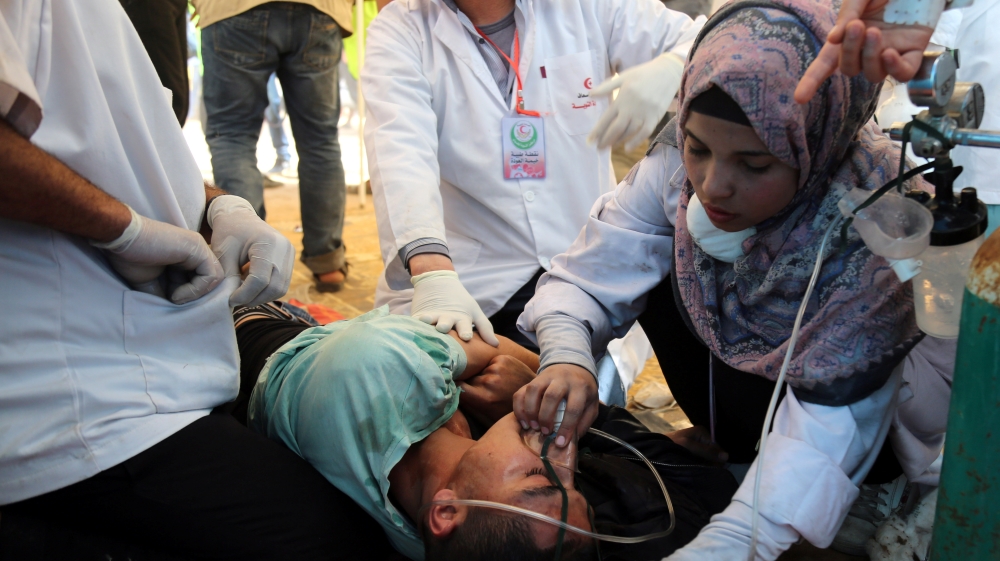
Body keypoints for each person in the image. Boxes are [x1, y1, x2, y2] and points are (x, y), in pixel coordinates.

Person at [513, 0, 954, 558]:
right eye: (699, 148)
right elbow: (589, 274)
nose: (713, 186)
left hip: (859, 440)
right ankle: (737, 454)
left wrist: (725, 543)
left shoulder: (870, 233)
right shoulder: (677, 169)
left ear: (814, 145)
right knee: (669, 250)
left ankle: (870, 496)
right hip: (737, 431)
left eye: (755, 164)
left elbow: (822, 436)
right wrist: (567, 356)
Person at [0, 1, 390, 558]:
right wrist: (124, 228)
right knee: (335, 539)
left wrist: (219, 206)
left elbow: (131, 142)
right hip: (71, 402)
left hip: (164, 361)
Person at [229, 302, 738, 560]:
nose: (566, 452)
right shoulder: (470, 531)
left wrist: (535, 370)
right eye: (574, 481)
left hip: (253, 330)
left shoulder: (374, 369)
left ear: (445, 511)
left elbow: (489, 346)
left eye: (539, 478)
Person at [362, 0, 705, 353]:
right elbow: (400, 149)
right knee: (446, 376)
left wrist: (674, 65)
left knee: (558, 381)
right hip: (472, 275)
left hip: (583, 263)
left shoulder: (590, 6)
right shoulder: (402, 27)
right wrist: (433, 272)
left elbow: (710, 42)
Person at [194, 0, 352, 292]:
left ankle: (249, 258)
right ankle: (328, 262)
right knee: (320, 141)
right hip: (320, 9)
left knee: (233, 136)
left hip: (233, 9)